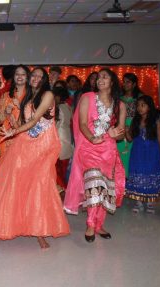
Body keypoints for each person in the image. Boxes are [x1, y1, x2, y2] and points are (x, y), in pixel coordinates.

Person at [0, 67, 70, 249]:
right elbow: (24, 124)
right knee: (13, 180)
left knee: (40, 185)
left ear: (45, 80)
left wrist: (14, 131)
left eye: (40, 77)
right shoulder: (27, 98)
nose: (36, 79)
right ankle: (0, 229)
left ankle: (40, 231)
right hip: (26, 143)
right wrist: (11, 120)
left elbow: (34, 121)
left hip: (45, 145)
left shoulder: (47, 94)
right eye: (34, 76)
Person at [64, 68, 126, 243]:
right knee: (94, 183)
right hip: (88, 147)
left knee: (105, 186)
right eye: (98, 77)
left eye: (105, 77)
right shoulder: (87, 98)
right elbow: (82, 123)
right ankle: (91, 224)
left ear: (112, 82)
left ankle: (99, 224)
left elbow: (121, 131)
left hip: (108, 150)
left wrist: (117, 134)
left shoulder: (120, 105)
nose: (100, 80)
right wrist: (92, 138)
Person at [125, 95, 160, 213]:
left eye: (143, 105)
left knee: (150, 174)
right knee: (138, 175)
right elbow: (130, 139)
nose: (140, 108)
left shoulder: (156, 119)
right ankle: (139, 201)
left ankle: (150, 202)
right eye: (138, 106)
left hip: (153, 152)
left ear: (149, 107)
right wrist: (125, 131)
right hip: (138, 153)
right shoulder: (135, 120)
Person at [0, 65, 30, 156]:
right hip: (6, 138)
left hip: (26, 139)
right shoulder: (6, 96)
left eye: (23, 74)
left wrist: (20, 107)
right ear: (13, 76)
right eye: (17, 74)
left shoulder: (32, 97)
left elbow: (34, 121)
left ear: (27, 77)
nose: (20, 77)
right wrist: (6, 112)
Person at [118, 73, 142, 177]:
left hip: (136, 126)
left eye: (128, 82)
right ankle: (121, 178)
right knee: (120, 151)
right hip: (121, 126)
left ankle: (132, 178)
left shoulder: (140, 98)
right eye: (124, 81)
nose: (125, 84)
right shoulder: (119, 98)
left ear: (134, 84)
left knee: (133, 152)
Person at [53, 86, 72, 192]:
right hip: (67, 141)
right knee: (63, 171)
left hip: (58, 141)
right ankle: (64, 189)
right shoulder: (68, 106)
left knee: (57, 170)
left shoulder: (58, 108)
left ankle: (62, 190)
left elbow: (55, 125)